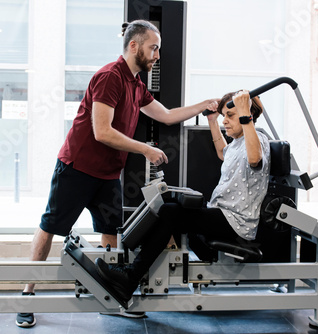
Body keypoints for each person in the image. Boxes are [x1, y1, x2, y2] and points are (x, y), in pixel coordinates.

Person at [16, 19, 219, 327]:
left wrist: (205, 104)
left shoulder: (137, 85)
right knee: (50, 228)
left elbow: (165, 116)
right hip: (77, 168)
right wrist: (145, 149)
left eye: (158, 50)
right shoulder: (109, 77)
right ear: (134, 46)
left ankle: (112, 294)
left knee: (111, 232)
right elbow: (102, 132)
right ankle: (26, 295)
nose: (157, 56)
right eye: (153, 48)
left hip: (109, 174)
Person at [95, 89, 271, 303]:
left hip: (237, 223)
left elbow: (254, 159)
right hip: (222, 214)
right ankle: (127, 265)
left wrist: (245, 115)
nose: (226, 121)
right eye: (225, 116)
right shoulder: (237, 143)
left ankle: (129, 278)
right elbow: (222, 153)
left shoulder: (258, 139)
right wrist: (213, 121)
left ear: (247, 115)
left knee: (171, 212)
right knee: (166, 201)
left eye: (230, 116)